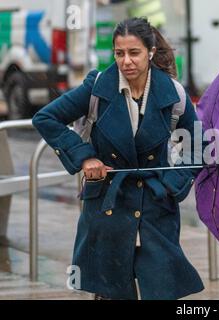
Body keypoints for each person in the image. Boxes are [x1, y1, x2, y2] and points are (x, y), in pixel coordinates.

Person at [32, 17, 204, 300]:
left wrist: (172, 185)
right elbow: (46, 117)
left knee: (160, 289)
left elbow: (197, 143)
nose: (126, 61)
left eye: (134, 53)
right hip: (108, 205)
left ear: (149, 52)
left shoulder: (173, 93)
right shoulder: (97, 87)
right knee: (111, 291)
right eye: (119, 53)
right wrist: (85, 158)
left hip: (155, 207)